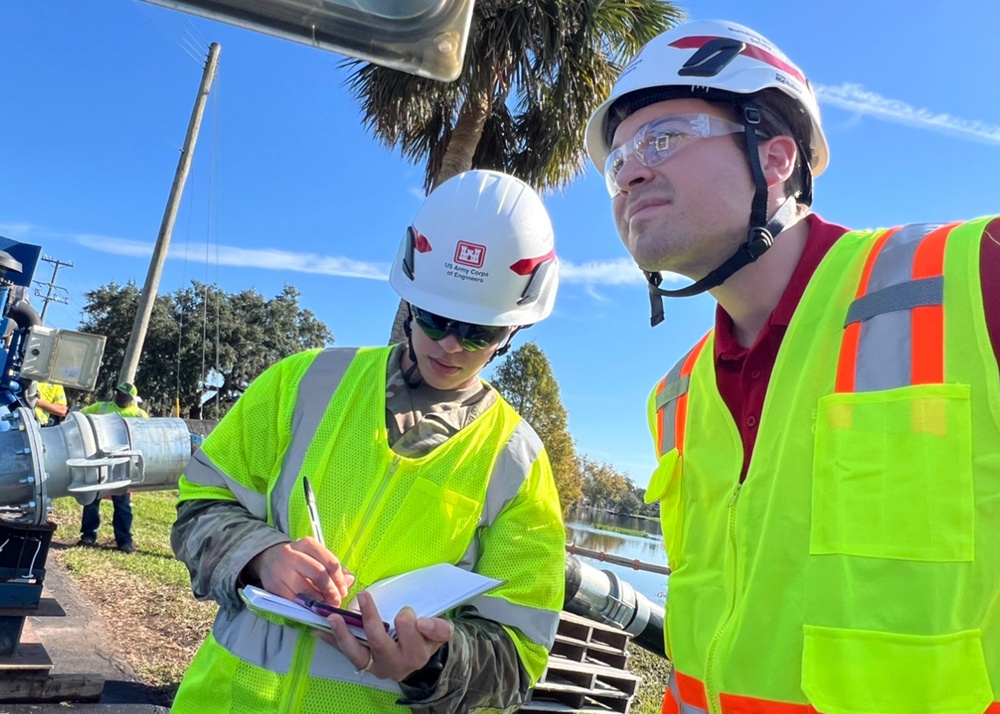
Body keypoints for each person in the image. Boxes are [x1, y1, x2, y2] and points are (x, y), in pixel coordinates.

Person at [585, 19, 1000, 714]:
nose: (629, 169)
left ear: (776, 157)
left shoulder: (973, 278)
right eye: (618, 157)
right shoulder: (675, 398)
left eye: (663, 138)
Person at [170, 169, 566, 713]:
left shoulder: (517, 463)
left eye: (480, 331)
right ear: (407, 300)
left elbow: (518, 658)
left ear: (514, 331)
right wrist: (258, 554)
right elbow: (199, 507)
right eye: (435, 317)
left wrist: (429, 664)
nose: (451, 345)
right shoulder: (303, 383)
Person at [79, 381, 150, 553]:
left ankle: (124, 540)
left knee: (123, 504)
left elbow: (148, 437)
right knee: (92, 500)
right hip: (100, 460)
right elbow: (81, 417)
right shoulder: (101, 408)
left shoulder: (139, 416)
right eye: (118, 393)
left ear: (131, 398)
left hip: (122, 465)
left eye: (124, 395)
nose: (119, 396)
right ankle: (88, 535)